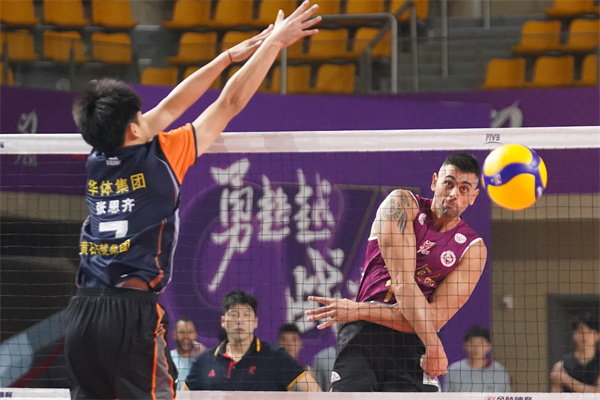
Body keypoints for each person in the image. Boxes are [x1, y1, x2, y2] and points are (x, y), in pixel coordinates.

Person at [63, 4, 321, 399]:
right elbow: (229, 104)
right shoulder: (161, 158)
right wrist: (274, 43)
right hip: (131, 314)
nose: (151, 117)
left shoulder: (97, 158)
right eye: (141, 117)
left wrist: (227, 57)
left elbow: (168, 107)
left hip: (82, 312)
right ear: (134, 129)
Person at [305, 152, 488, 392]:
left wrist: (358, 309)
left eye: (464, 189)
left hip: (412, 340)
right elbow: (403, 283)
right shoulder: (402, 204)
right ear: (435, 181)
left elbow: (433, 320)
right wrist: (433, 343)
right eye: (449, 183)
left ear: (473, 197)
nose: (454, 194)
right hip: (365, 336)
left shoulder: (473, 249)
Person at [184, 290, 321, 391]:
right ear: (223, 321)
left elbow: (314, 392)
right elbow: (183, 396)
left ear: (255, 322)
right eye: (234, 315)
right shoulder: (205, 360)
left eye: (246, 315)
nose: (240, 320)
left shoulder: (276, 356)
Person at [444, 326, 511, 392]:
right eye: (472, 343)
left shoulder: (500, 372)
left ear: (488, 346)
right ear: (465, 345)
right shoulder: (452, 371)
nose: (476, 347)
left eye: (480, 343)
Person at [551, 311, 600, 393]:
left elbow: (598, 392)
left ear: (598, 335)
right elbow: (555, 396)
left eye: (589, 331)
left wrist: (566, 379)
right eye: (581, 331)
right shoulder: (561, 366)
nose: (585, 336)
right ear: (574, 335)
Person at [171, 319, 206, 391]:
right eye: (182, 332)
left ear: (195, 335)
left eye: (189, 332)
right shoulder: (167, 359)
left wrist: (204, 357)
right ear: (174, 335)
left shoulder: (201, 360)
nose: (186, 336)